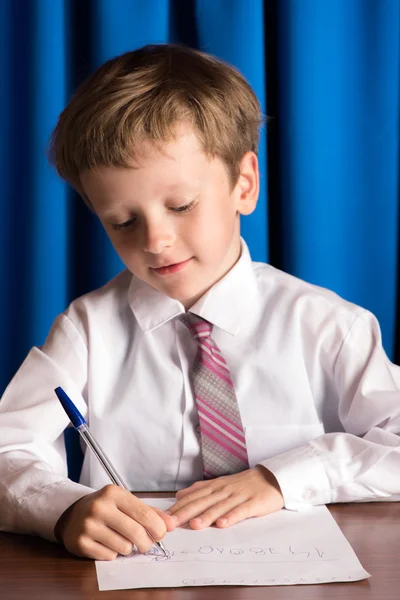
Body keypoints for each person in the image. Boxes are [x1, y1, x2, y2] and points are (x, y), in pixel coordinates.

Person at [0, 44, 399, 562]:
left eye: (181, 205)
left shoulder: (328, 325)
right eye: (123, 221)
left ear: (245, 184)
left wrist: (286, 476)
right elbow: (7, 451)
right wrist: (62, 509)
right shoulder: (86, 330)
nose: (156, 240)